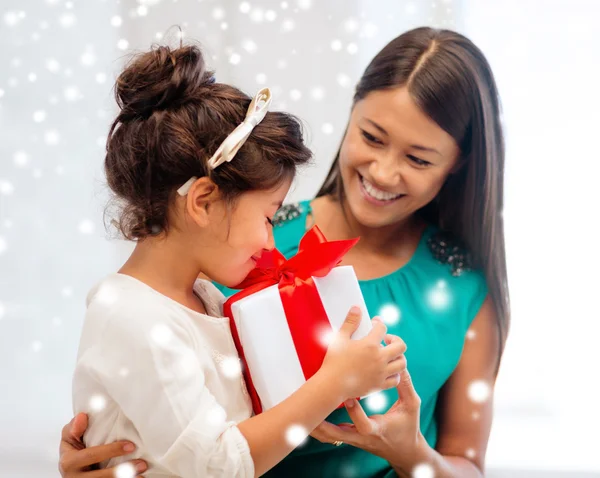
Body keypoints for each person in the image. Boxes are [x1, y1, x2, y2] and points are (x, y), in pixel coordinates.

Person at [60, 26, 509, 477]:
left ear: (458, 164)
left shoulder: (463, 286)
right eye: (372, 137)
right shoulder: (232, 252)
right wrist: (104, 445)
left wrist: (412, 454)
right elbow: (179, 426)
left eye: (418, 159)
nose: (384, 172)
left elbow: (467, 463)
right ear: (351, 113)